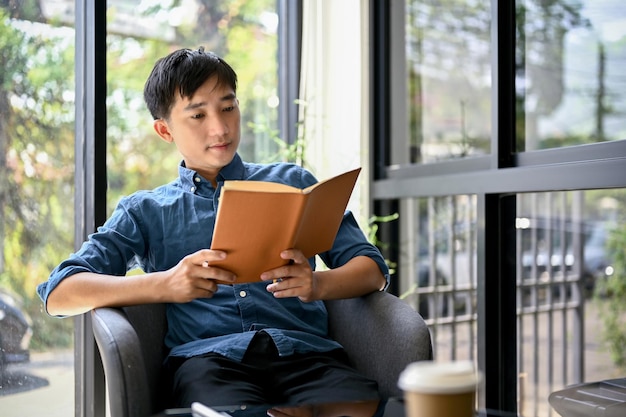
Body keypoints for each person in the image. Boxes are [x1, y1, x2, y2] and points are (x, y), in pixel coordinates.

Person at [37, 47, 389, 412]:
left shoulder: (293, 181)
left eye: (228, 107)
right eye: (198, 115)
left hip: (306, 355)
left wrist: (318, 285)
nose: (220, 128)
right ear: (164, 130)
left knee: (361, 407)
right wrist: (165, 284)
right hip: (209, 364)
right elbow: (59, 293)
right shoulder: (146, 210)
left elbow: (372, 269)